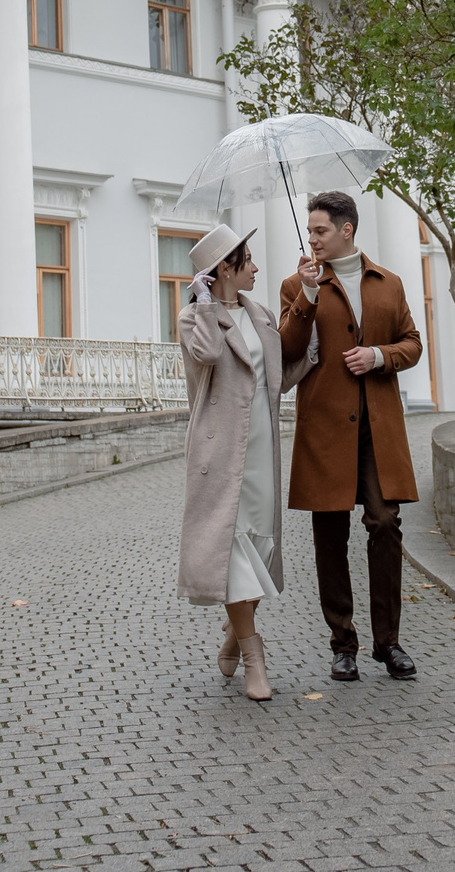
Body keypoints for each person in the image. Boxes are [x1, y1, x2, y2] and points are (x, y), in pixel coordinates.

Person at [278, 189, 424, 680]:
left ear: (346, 230)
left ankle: (390, 643)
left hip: (378, 428)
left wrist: (379, 357)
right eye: (310, 230)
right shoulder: (295, 285)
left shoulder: (389, 283)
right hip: (324, 428)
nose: (312, 238)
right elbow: (287, 349)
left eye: (320, 230)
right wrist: (308, 293)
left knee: (385, 523)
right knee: (329, 535)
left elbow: (412, 343)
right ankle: (343, 644)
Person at [174, 223, 287, 702]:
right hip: (221, 447)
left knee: (259, 548)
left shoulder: (260, 314)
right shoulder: (192, 318)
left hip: (262, 440)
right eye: (248, 261)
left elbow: (280, 373)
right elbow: (208, 354)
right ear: (225, 267)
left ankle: (233, 633)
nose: (257, 267)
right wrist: (204, 304)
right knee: (232, 546)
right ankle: (254, 658)